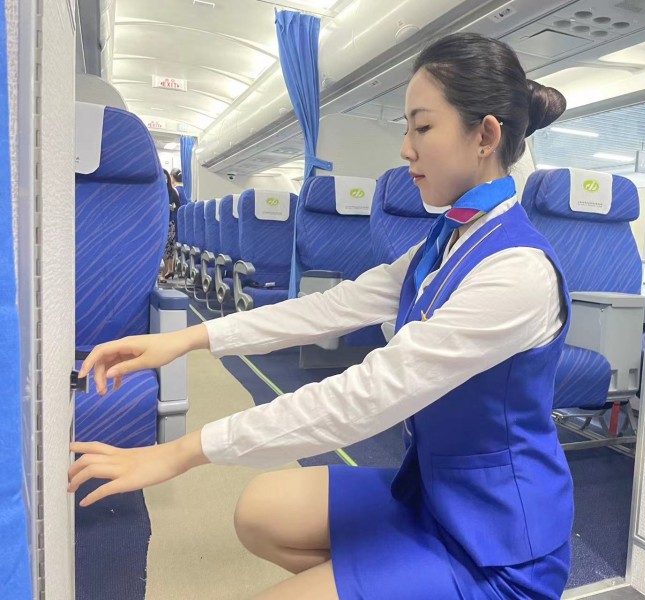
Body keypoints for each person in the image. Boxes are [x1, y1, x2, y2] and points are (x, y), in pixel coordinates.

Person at [69, 32, 572, 600]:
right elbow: (331, 308)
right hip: (430, 493)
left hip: (498, 545)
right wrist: (189, 338)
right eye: (407, 129)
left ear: (485, 136)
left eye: (422, 128)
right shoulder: (448, 241)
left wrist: (179, 453)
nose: (405, 150)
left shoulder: (517, 273)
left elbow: (366, 397)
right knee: (261, 512)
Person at [160, 168, 179, 281]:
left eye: (166, 177)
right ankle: (164, 272)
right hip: (159, 223)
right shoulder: (156, 192)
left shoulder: (172, 192)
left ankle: (165, 272)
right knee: (163, 248)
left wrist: (172, 208)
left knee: (168, 248)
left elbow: (179, 207)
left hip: (169, 222)